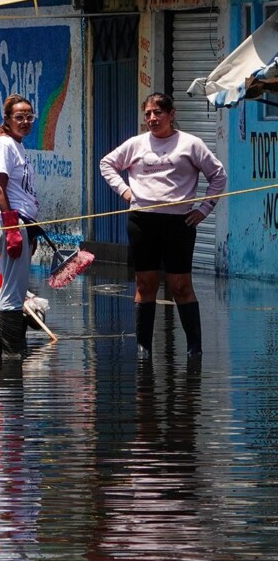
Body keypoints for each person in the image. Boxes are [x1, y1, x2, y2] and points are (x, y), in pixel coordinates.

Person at [100, 92, 227, 360]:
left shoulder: (191, 144)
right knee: (146, 284)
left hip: (179, 222)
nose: (152, 118)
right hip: (142, 220)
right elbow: (107, 164)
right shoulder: (136, 144)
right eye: (147, 114)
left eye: (158, 112)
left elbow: (218, 176)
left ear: (172, 114)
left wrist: (204, 209)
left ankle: (194, 348)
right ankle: (143, 347)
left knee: (180, 285)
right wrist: (125, 192)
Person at [0, 94, 40, 358]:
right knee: (13, 297)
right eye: (19, 117)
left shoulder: (16, 145)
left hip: (19, 221)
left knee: (7, 292)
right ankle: (13, 358)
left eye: (29, 116)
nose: (25, 121)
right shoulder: (5, 144)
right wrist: (11, 228)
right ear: (7, 119)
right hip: (9, 221)